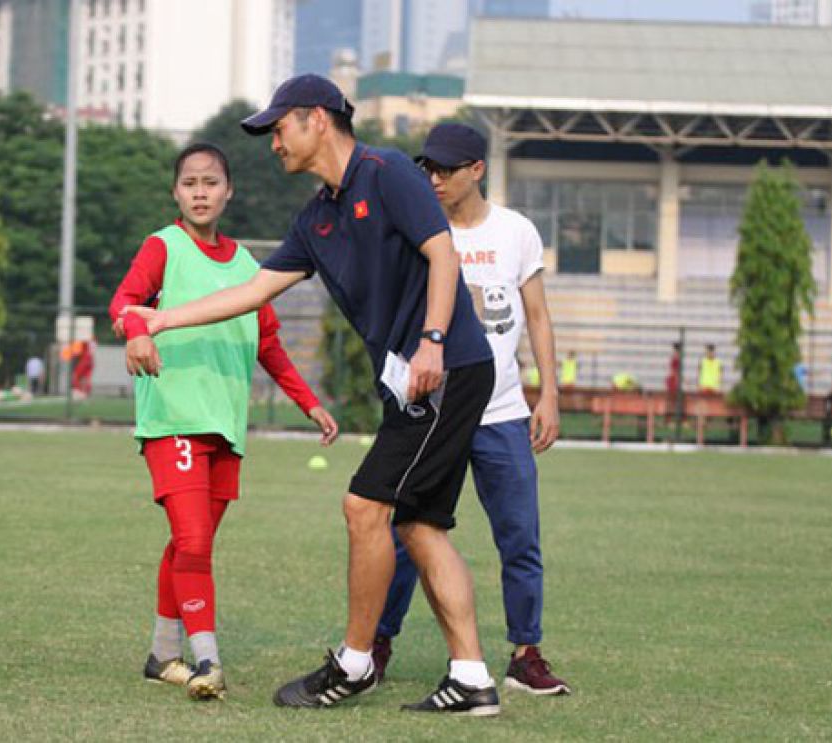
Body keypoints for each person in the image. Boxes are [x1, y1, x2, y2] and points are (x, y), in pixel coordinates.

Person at [124, 75, 500, 716]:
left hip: (445, 369)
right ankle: (471, 678)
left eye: (279, 128)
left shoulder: (388, 174)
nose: (273, 142)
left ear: (318, 120)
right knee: (419, 524)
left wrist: (434, 339)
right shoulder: (316, 217)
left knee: (364, 506)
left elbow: (444, 256)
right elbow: (250, 292)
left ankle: (354, 664)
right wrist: (163, 318)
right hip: (413, 380)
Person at [109, 142, 339, 702]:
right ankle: (207, 658)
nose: (200, 192)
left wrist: (309, 402)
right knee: (192, 541)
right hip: (173, 419)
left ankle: (162, 654)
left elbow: (269, 346)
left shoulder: (246, 268)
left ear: (228, 190)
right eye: (190, 183)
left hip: (225, 429)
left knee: (190, 542)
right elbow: (124, 304)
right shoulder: (162, 247)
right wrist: (136, 333)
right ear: (175, 193)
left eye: (211, 182)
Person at [370, 123, 571, 697]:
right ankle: (379, 642)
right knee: (409, 532)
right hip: (432, 417)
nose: (433, 179)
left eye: (446, 170)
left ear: (477, 170)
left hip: (503, 412)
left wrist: (548, 394)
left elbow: (537, 317)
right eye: (426, 169)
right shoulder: (417, 230)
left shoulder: (516, 232)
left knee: (520, 540)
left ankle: (526, 653)